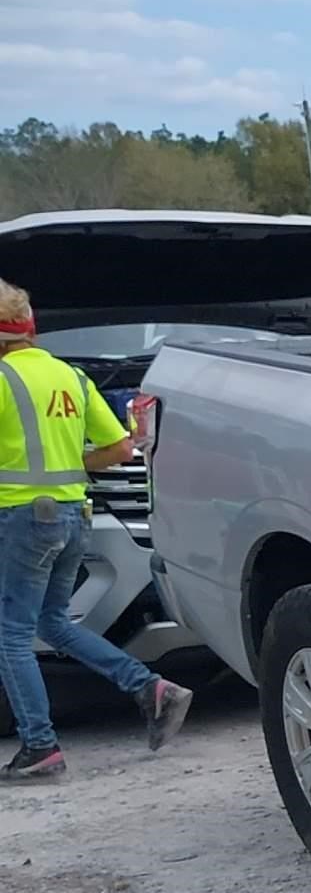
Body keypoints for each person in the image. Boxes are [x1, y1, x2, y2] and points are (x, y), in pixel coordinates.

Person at [0, 278, 192, 780]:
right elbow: (121, 449)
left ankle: (39, 746)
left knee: (11, 637)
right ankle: (150, 687)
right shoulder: (72, 377)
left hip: (20, 518)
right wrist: (69, 463)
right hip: (71, 515)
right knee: (54, 623)